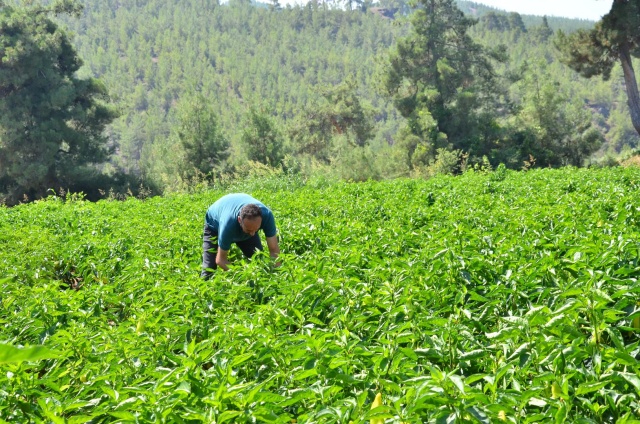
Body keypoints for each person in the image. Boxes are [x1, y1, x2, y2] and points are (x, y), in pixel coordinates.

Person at [201, 193, 280, 278]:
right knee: (209, 270)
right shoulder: (228, 225)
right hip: (213, 224)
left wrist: (277, 275)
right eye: (249, 230)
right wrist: (243, 275)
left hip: (236, 218)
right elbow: (220, 260)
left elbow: (274, 249)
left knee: (259, 260)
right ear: (239, 220)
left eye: (256, 229)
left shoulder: (267, 215)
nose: (253, 234)